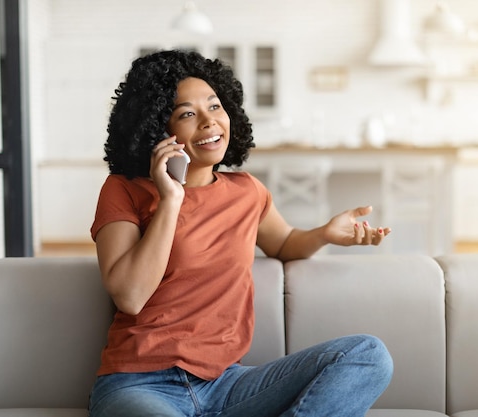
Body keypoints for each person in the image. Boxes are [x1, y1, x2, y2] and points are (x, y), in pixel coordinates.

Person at [88, 49, 393, 417]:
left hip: (226, 385)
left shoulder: (247, 192)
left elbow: (282, 243)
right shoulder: (123, 189)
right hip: (139, 385)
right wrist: (171, 198)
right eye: (187, 114)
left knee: (368, 355)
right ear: (157, 128)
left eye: (215, 106)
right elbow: (131, 296)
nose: (209, 122)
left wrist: (325, 233)